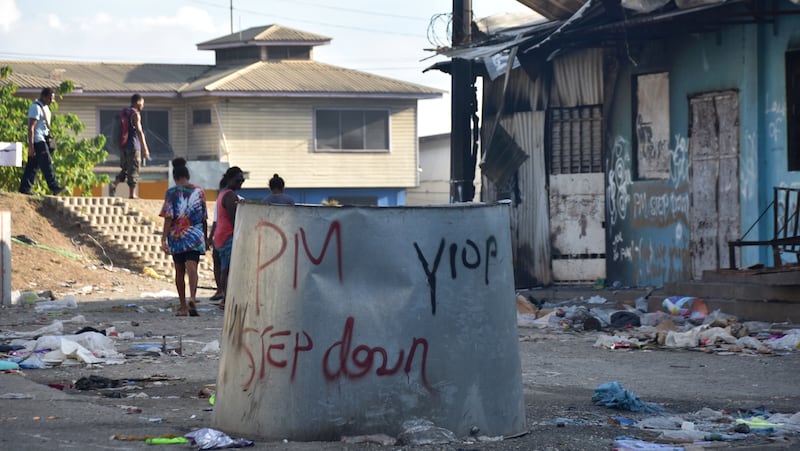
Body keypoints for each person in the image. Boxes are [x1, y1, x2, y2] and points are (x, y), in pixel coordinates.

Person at [159, 157, 208, 317]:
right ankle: (193, 297)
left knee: (179, 271)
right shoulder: (199, 191)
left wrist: (163, 238)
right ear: (187, 176)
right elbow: (203, 218)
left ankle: (183, 306)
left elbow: (168, 216)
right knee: (192, 267)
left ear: (174, 177)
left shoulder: (171, 193)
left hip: (177, 236)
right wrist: (206, 238)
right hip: (195, 235)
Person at [19, 87, 64, 195]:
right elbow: (31, 128)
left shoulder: (46, 108)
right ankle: (54, 187)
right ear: (44, 96)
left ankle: (25, 188)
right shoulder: (36, 107)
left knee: (33, 166)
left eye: (53, 99)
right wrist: (31, 146)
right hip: (37, 140)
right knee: (46, 164)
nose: (51, 101)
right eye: (50, 98)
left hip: (44, 139)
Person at [212, 166, 245, 309]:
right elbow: (234, 219)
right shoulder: (230, 195)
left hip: (220, 236)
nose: (241, 183)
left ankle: (225, 298)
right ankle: (226, 299)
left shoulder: (222, 193)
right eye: (238, 180)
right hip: (228, 236)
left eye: (242, 180)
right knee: (228, 269)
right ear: (231, 179)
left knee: (225, 268)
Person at [110, 94, 151, 199]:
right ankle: (132, 194)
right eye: (142, 102)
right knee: (134, 168)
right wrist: (145, 148)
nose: (143, 105)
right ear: (137, 102)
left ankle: (114, 183)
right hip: (133, 145)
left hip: (123, 145)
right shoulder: (135, 114)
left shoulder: (124, 112)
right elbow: (139, 131)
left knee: (125, 168)